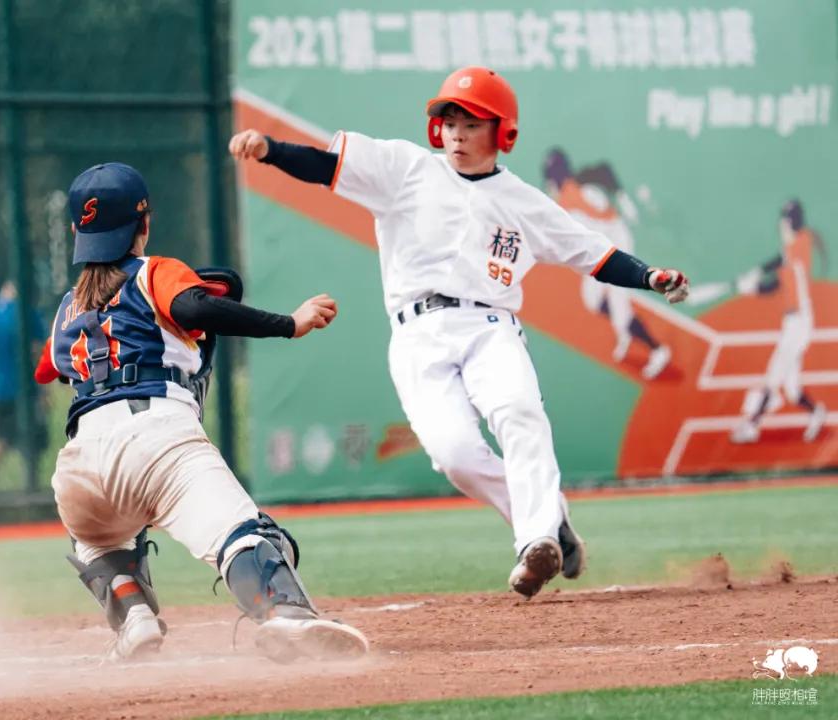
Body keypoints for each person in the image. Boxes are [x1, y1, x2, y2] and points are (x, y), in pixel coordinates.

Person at [230, 66, 690, 598]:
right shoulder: (406, 169)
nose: (456, 132)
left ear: (503, 133)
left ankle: (537, 540)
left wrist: (649, 277)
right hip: (417, 334)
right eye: (449, 120)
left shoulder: (522, 200)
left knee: (519, 413)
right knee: (456, 457)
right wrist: (271, 149)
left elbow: (595, 254)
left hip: (490, 326)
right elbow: (327, 165)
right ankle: (550, 520)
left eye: (471, 123)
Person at [34, 162, 368, 660]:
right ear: (142, 224)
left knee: (99, 545)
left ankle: (135, 620)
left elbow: (47, 369)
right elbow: (193, 310)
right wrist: (290, 323)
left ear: (78, 235)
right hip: (155, 438)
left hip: (79, 465)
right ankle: (284, 614)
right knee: (246, 536)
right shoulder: (154, 272)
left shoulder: (66, 308)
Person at [543, 148, 671, 379]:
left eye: (552, 177)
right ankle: (625, 329)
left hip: (617, 249)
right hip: (600, 250)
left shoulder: (573, 194)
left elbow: (602, 174)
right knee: (592, 301)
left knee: (621, 313)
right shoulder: (570, 193)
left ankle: (658, 350)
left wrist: (622, 197)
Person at [731, 200, 827, 444]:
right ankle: (816, 413)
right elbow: (778, 263)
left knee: (772, 378)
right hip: (795, 324)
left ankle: (751, 426)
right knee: (792, 388)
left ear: (791, 223)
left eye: (785, 220)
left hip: (798, 326)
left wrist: (752, 287)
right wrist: (755, 273)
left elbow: (774, 282)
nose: (781, 224)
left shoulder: (797, 248)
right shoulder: (798, 244)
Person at [0, 280, 48, 484]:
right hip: (21, 390)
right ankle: (28, 483)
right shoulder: (26, 313)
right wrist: (45, 392)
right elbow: (39, 351)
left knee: (3, 437)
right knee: (28, 438)